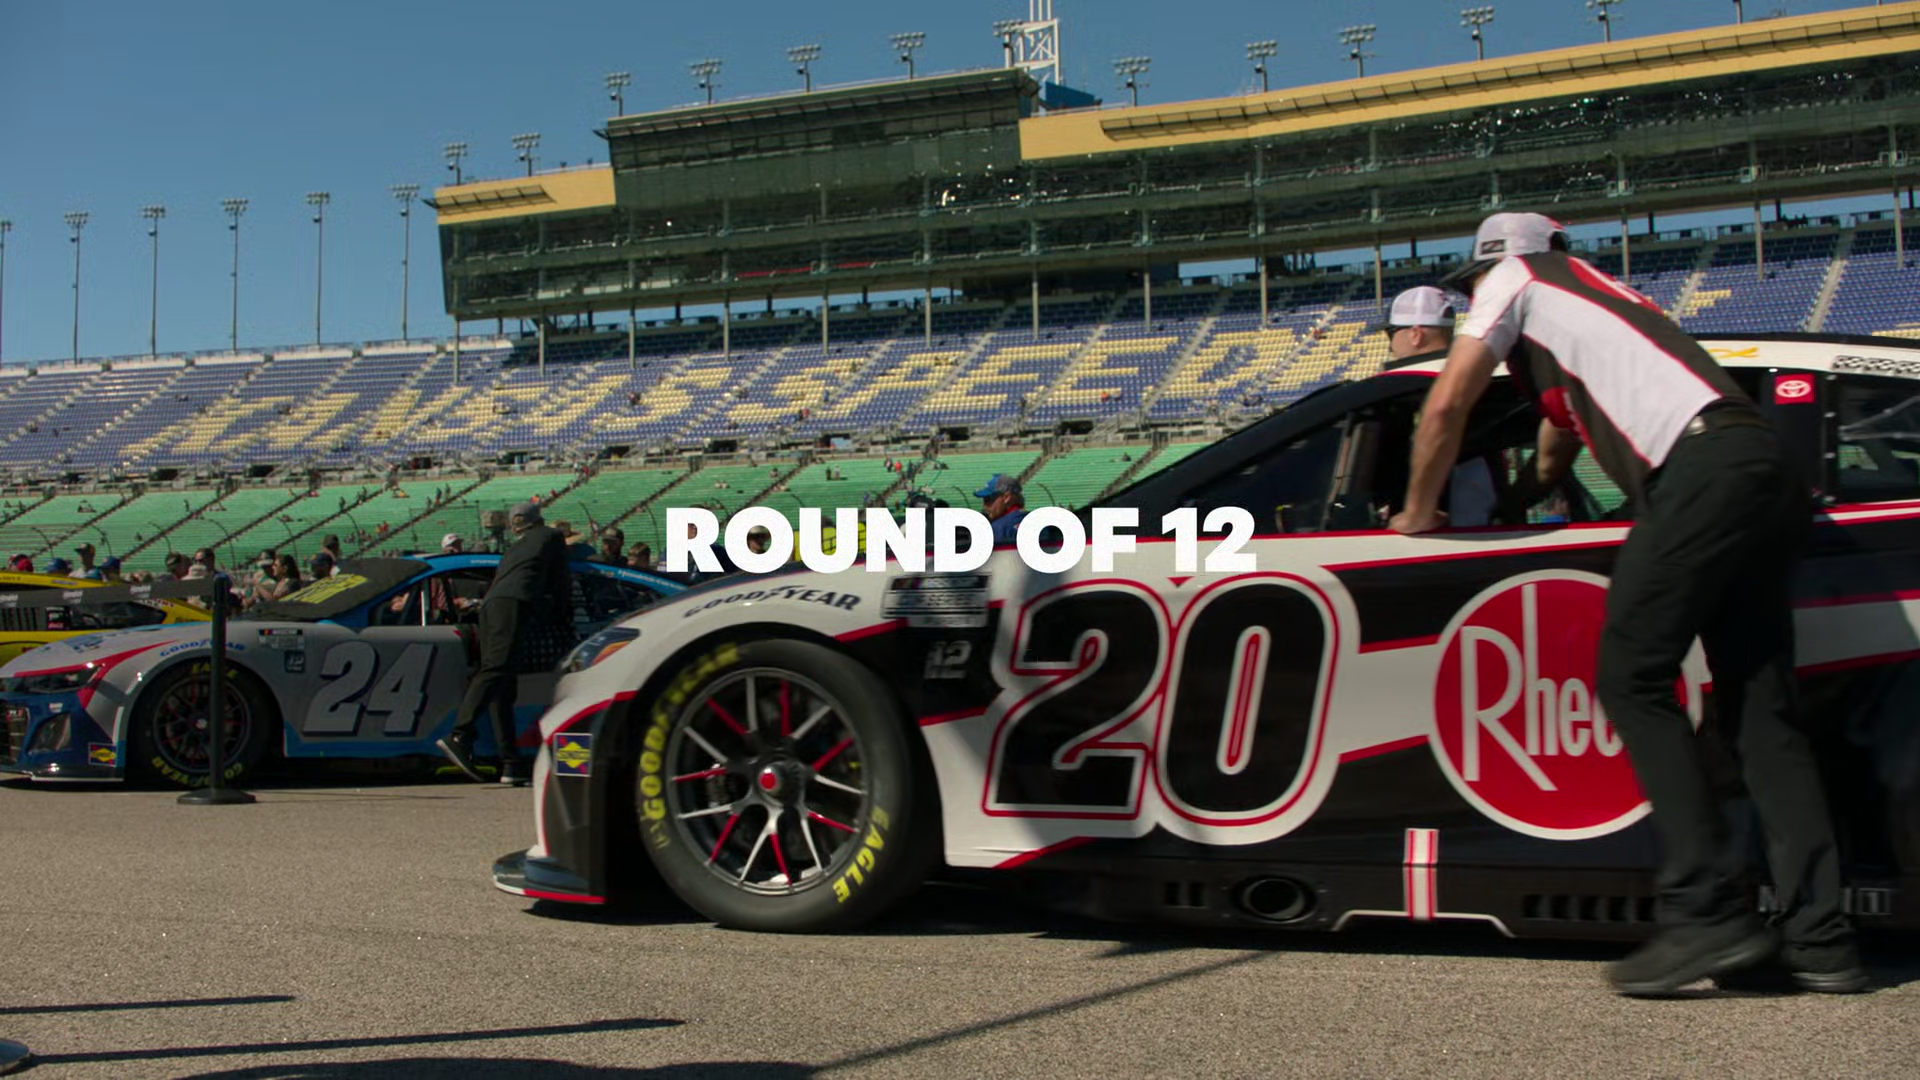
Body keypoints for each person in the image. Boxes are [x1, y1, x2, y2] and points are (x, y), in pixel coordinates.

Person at [1390, 212, 1863, 997]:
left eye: (1474, 286)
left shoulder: (1519, 277)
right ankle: (1821, 939)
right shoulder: (1606, 303)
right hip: (1760, 465)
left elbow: (1444, 406)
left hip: (1701, 471)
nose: (1475, 300)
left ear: (1495, 269)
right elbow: (1555, 452)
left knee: (1632, 675)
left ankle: (1706, 911)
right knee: (1761, 715)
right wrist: (1515, 502)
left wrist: (1415, 512)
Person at [437, 501, 573, 787]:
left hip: (490, 607)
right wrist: (563, 616)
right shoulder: (551, 537)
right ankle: (460, 735)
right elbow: (560, 580)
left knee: (502, 686)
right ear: (540, 520)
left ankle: (510, 763)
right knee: (496, 669)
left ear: (515, 526)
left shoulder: (515, 548)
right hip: (513, 605)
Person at [1376, 285, 1501, 528]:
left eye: (1391, 333)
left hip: (1447, 533)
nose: (1390, 346)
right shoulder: (1476, 378)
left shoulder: (1410, 390)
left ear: (1415, 334)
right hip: (1484, 526)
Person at [976, 474, 1029, 545]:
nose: (985, 506)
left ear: (1006, 497)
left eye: (988, 499)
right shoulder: (1035, 520)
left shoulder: (997, 528)